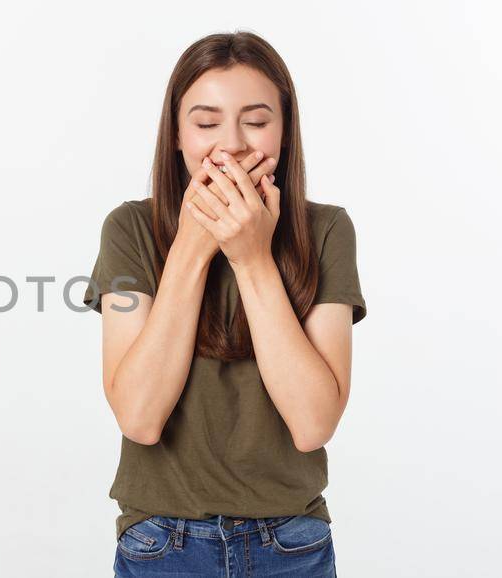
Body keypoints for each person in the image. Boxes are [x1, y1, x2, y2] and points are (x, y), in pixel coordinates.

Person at [84, 31, 367, 577]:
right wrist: (193, 245)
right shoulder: (130, 229)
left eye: (256, 122)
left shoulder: (328, 230)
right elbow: (140, 417)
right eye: (207, 123)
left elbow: (313, 423)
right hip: (160, 543)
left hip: (292, 542)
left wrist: (252, 257)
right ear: (176, 135)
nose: (231, 145)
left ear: (285, 132)